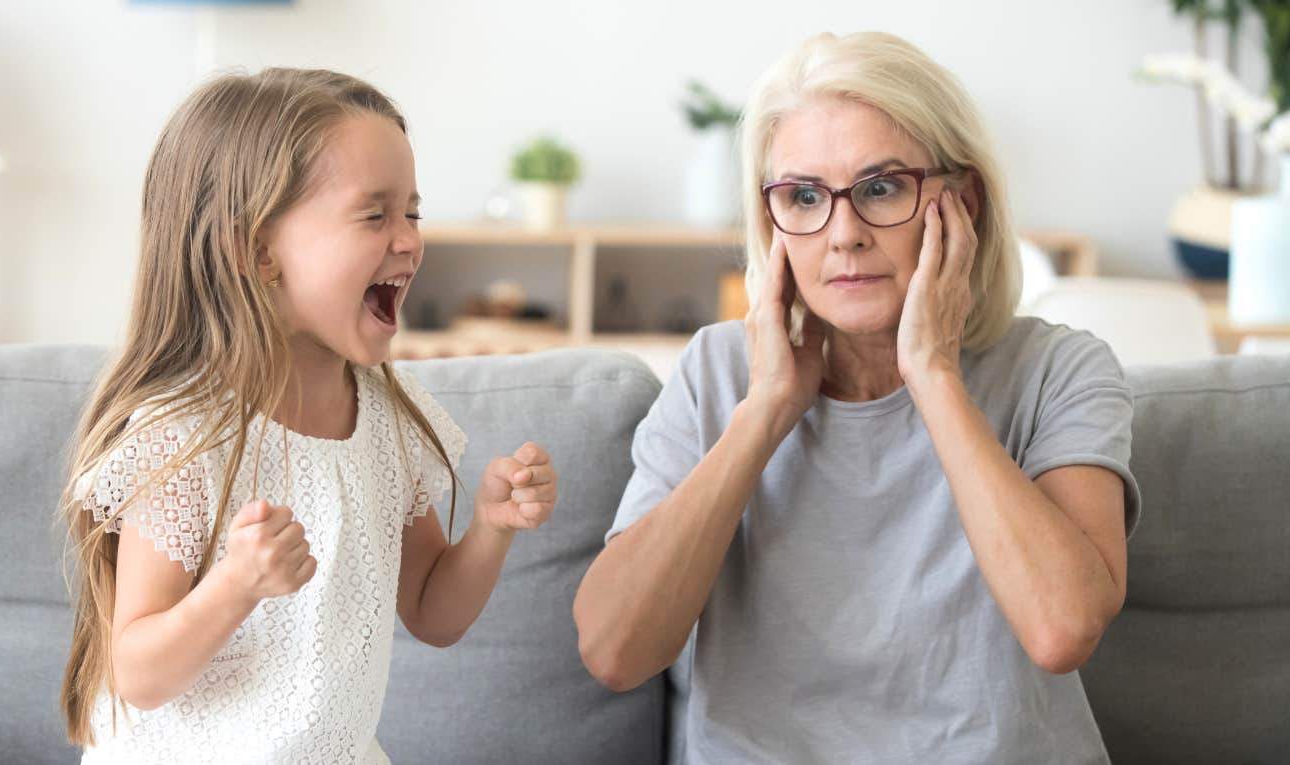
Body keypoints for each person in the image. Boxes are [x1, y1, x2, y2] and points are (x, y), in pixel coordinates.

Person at [574, 31, 1139, 763]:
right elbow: (614, 649)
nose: (843, 234)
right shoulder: (718, 372)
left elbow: (1062, 629)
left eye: (881, 188)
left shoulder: (1060, 369)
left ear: (961, 201)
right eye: (803, 197)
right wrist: (766, 409)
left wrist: (933, 375)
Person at [58, 68, 559, 764]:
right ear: (259, 249)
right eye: (375, 213)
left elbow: (433, 611)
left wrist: (492, 528)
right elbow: (137, 674)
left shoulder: (389, 421)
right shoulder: (184, 433)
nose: (410, 239)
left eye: (412, 212)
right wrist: (236, 586)